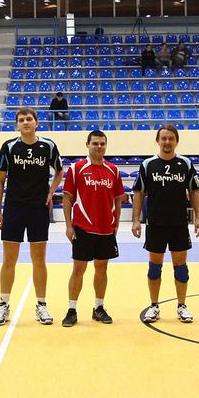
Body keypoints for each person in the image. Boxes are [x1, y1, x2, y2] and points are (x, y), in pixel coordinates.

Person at [0, 106, 63, 326]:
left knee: (39, 259)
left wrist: (51, 192)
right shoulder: (9, 147)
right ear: (17, 125)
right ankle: (3, 305)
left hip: (38, 209)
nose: (25, 122)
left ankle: (41, 305)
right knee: (9, 260)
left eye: (29, 119)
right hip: (14, 208)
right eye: (21, 119)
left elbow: (59, 170)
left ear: (36, 123)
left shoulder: (48, 146)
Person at [131, 125, 199, 323]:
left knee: (181, 268)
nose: (167, 142)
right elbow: (138, 192)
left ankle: (182, 306)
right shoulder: (148, 164)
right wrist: (136, 220)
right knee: (154, 267)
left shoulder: (185, 163)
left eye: (171, 138)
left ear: (176, 141)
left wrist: (198, 217)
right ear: (158, 140)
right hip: (155, 224)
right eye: (163, 138)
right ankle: (154, 306)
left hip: (179, 224)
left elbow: (195, 191)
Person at [61, 130, 124, 327]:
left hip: (105, 229)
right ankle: (72, 309)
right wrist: (69, 226)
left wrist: (116, 223)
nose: (99, 147)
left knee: (102, 269)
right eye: (95, 143)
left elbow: (118, 199)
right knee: (78, 269)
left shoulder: (113, 170)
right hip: (83, 228)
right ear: (87, 145)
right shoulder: (76, 168)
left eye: (102, 143)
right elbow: (67, 198)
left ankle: (99, 308)